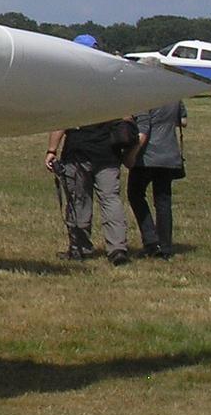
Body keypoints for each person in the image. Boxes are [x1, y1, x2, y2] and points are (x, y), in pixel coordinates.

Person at [45, 36, 135, 265]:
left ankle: (80, 248)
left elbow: (61, 121)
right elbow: (127, 118)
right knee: (110, 200)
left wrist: (51, 150)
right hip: (108, 154)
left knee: (78, 201)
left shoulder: (71, 85)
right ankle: (117, 249)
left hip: (78, 153)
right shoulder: (113, 83)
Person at [127, 99, 187, 258]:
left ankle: (151, 241)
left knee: (135, 195)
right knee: (163, 200)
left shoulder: (146, 95)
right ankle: (166, 246)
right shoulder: (174, 95)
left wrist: (131, 155)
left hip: (146, 156)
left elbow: (143, 129)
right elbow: (183, 121)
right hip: (169, 153)